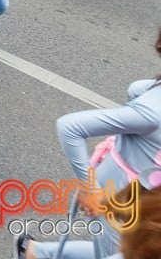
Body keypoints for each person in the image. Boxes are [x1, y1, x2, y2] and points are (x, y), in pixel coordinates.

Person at [14, 28, 161, 259]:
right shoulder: (154, 111)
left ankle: (35, 252)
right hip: (123, 199)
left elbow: (137, 88)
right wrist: (90, 187)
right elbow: (69, 127)